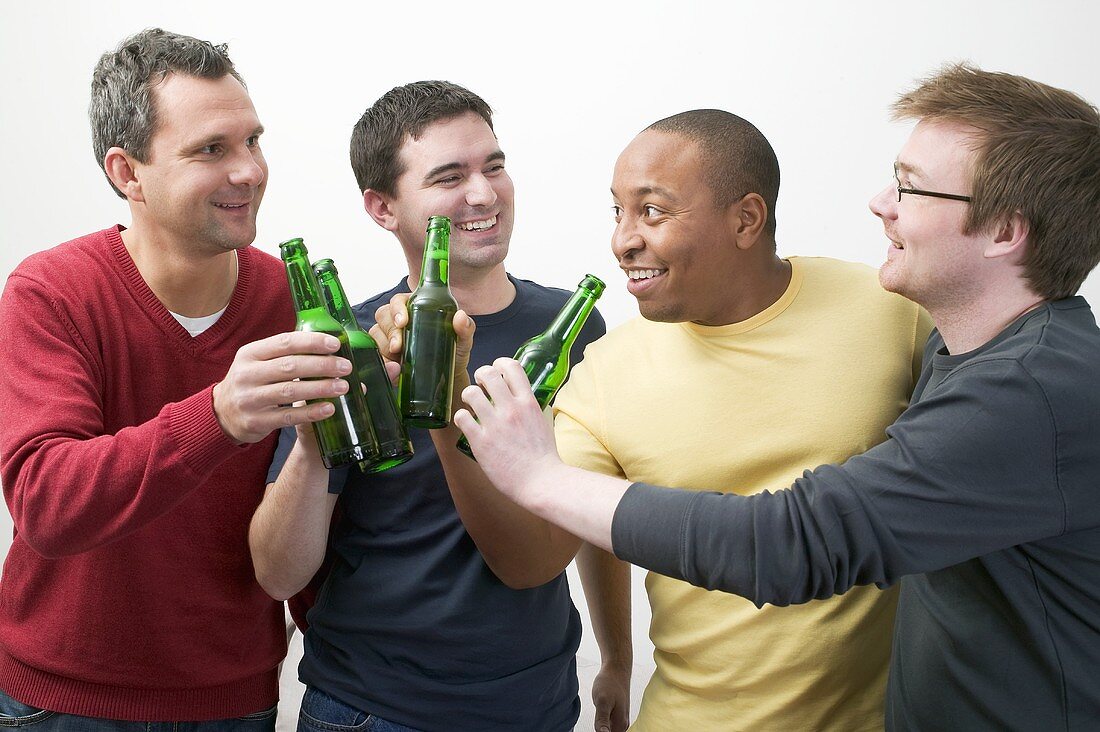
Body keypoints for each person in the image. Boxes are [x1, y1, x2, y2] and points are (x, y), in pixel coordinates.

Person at [459, 64, 1100, 729]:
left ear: (1004, 231)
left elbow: (793, 543)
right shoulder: (967, 352)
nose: (881, 202)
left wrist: (536, 475)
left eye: (911, 188)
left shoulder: (1026, 391)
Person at [461, 108, 930, 730]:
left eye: (651, 212)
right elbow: (531, 560)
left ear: (746, 219)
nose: (622, 240)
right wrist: (448, 418)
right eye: (617, 212)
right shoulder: (604, 376)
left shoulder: (889, 311)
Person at [0, 28, 356, 729]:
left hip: (236, 700)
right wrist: (219, 415)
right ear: (126, 172)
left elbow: (319, 512)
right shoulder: (51, 292)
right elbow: (46, 501)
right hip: (61, 704)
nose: (249, 171)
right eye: (211, 150)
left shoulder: (293, 300)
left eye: (252, 141)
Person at [249, 81, 606, 732]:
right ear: (383, 207)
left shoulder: (572, 324)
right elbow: (277, 573)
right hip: (371, 708)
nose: (483, 193)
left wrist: (615, 658)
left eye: (494, 166)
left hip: (538, 703)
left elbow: (595, 512)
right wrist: (313, 438)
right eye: (450, 176)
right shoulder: (345, 347)